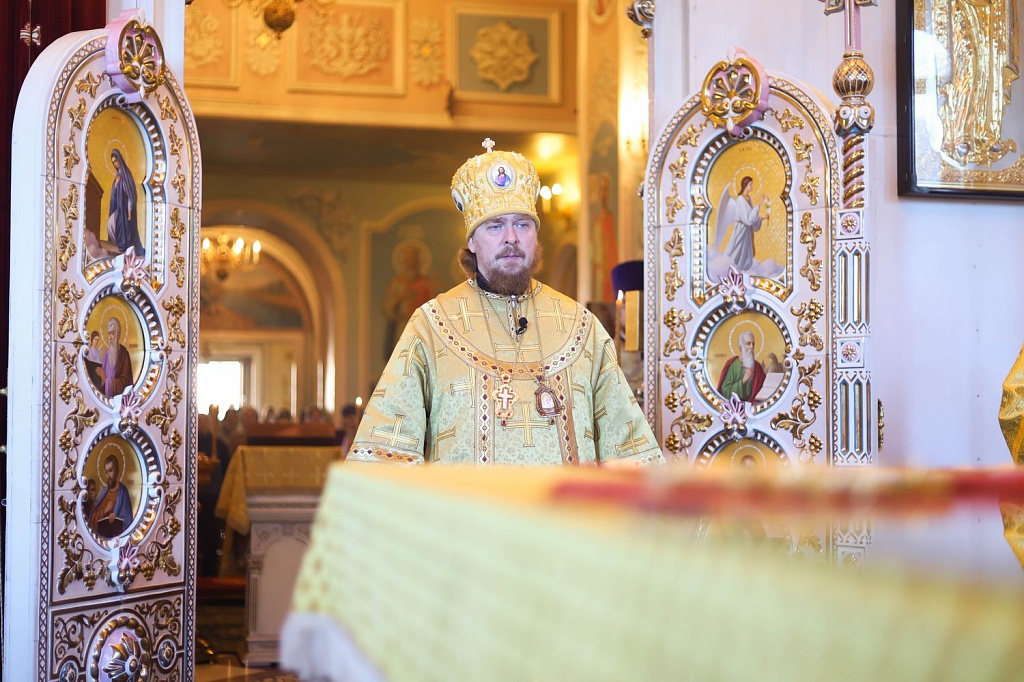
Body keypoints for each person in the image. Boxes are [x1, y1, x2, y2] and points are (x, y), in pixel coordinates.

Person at [348, 139, 664, 466]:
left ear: (535, 236)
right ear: (472, 241)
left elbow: (630, 452)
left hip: (562, 502)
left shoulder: (581, 326)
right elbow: (385, 453)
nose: (511, 238)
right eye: (495, 226)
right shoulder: (430, 326)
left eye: (522, 225)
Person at [714, 175, 766, 273]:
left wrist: (761, 218)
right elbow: (748, 218)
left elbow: (751, 216)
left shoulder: (748, 198)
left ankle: (739, 272)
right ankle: (726, 267)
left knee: (745, 254)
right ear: (745, 185)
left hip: (747, 230)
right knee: (735, 249)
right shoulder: (740, 199)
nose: (752, 186)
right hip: (741, 229)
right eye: (750, 184)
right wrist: (759, 204)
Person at [106, 149, 145, 257]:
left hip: (126, 209)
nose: (115, 164)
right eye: (113, 162)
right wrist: (115, 186)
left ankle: (125, 245)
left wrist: (129, 211)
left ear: (120, 160)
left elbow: (130, 194)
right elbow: (115, 192)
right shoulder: (118, 175)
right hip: (119, 208)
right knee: (111, 223)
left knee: (120, 224)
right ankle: (119, 243)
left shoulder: (126, 175)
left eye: (116, 161)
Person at [89, 454, 134, 538]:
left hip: (117, 538)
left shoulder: (123, 492)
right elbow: (93, 518)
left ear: (116, 471)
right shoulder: (104, 492)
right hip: (101, 538)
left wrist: (115, 518)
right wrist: (105, 511)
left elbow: (128, 521)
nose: (108, 475)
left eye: (110, 470)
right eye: (106, 472)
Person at [717, 330, 766, 403]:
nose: (751, 347)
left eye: (753, 344)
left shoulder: (757, 367)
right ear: (741, 346)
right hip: (735, 405)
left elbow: (764, 387)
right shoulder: (733, 365)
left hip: (754, 404)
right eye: (748, 344)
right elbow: (725, 391)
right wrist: (743, 380)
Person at [98, 317, 134, 398]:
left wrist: (106, 381)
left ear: (118, 334)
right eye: (108, 334)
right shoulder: (106, 354)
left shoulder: (124, 354)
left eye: (112, 333)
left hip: (120, 399)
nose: (110, 338)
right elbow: (101, 380)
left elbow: (126, 382)